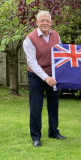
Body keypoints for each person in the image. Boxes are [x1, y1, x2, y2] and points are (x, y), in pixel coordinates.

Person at [23, 10, 66, 147]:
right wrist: (46, 77)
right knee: (36, 107)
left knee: (53, 105)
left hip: (52, 75)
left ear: (51, 22)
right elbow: (32, 63)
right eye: (42, 20)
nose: (45, 23)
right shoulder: (29, 39)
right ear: (37, 22)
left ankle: (53, 131)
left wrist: (57, 74)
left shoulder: (56, 36)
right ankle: (36, 137)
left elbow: (60, 55)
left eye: (47, 20)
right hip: (36, 76)